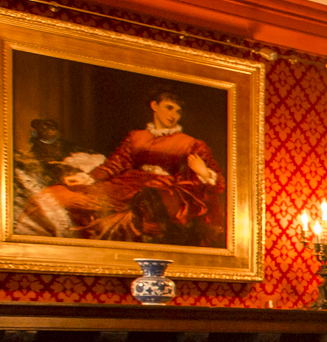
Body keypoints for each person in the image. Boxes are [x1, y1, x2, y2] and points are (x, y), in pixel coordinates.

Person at [17, 86, 225, 246]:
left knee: (123, 216)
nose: (173, 115)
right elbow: (116, 163)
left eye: (178, 111)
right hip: (126, 183)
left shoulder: (190, 143)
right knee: (60, 195)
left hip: (158, 189)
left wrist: (204, 172)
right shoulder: (136, 137)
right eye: (169, 108)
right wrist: (88, 177)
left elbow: (216, 181)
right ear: (154, 106)